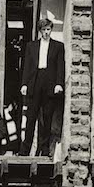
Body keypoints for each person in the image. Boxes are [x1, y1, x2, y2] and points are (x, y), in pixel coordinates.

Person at [20, 18, 65, 157]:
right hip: (35, 81)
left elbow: (60, 66)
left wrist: (59, 84)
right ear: (40, 31)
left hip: (50, 82)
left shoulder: (58, 46)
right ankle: (25, 150)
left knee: (47, 118)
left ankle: (44, 150)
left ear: (51, 30)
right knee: (31, 117)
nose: (46, 32)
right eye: (44, 30)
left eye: (48, 29)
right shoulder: (31, 46)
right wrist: (24, 84)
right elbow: (27, 66)